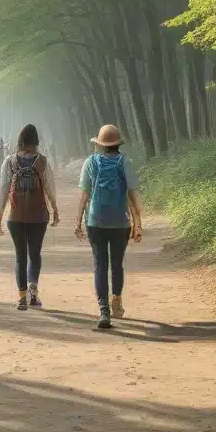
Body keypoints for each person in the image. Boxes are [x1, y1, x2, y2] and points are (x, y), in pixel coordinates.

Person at [74, 124, 142, 329]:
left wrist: (78, 222)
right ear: (118, 144)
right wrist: (138, 224)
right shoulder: (125, 162)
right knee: (117, 264)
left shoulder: (90, 162)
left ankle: (103, 311)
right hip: (120, 222)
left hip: (96, 222)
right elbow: (133, 196)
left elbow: (84, 195)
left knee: (100, 265)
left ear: (100, 145)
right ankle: (117, 300)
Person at [0, 124, 59, 310]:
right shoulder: (42, 161)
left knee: (20, 257)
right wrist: (54, 210)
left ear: (20, 141)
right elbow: (49, 188)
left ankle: (21, 298)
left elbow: (4, 191)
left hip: (15, 218)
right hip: (38, 217)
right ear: (36, 141)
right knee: (35, 255)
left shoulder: (10, 162)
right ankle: (33, 293)